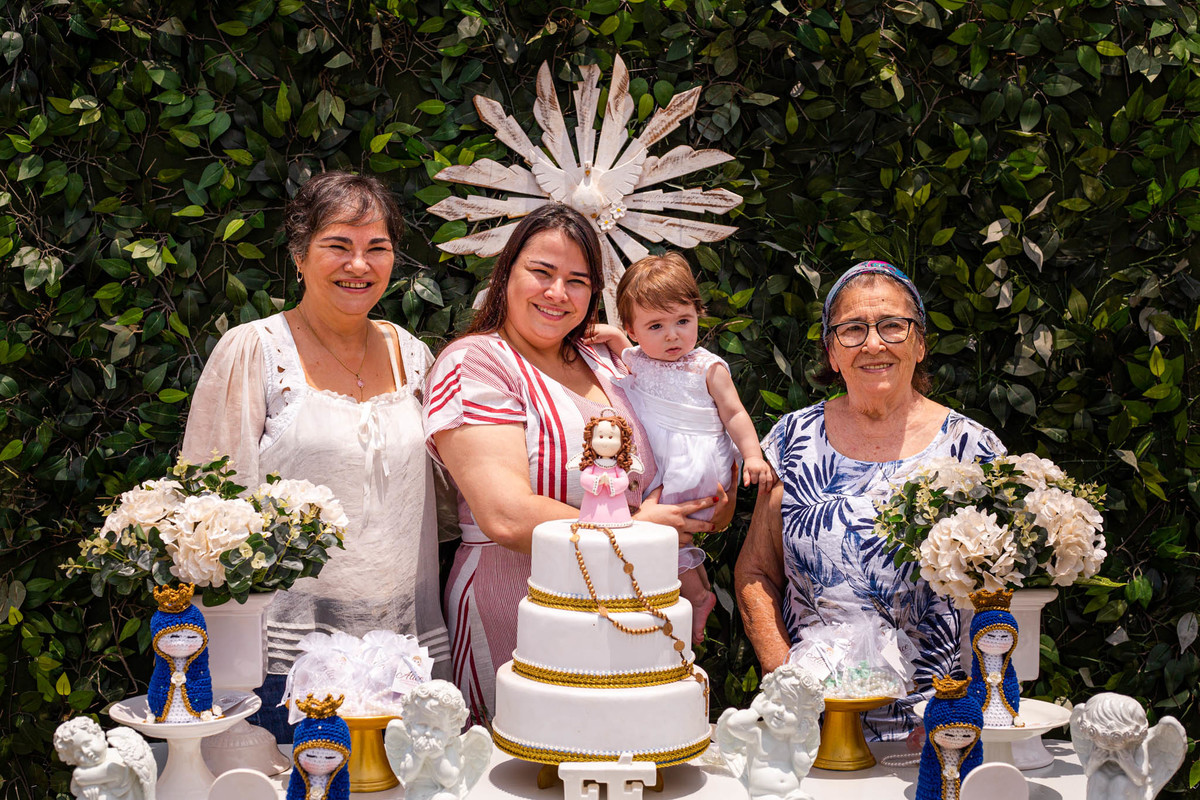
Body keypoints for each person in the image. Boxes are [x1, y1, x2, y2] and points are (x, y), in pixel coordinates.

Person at [424, 203, 733, 725]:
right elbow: (506, 516)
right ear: (506, 273)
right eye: (541, 272)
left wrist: (705, 510)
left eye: (577, 281)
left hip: (628, 605)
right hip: (519, 603)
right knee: (531, 750)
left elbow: (681, 443)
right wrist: (638, 530)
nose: (557, 292)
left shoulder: (605, 359)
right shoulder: (478, 362)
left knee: (621, 752)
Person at [181, 171, 450, 738]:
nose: (359, 265)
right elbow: (207, 513)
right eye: (338, 245)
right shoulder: (256, 351)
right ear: (299, 254)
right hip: (284, 657)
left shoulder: (414, 356)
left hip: (403, 652)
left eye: (377, 247)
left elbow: (449, 500)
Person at [734, 260, 1004, 740]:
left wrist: (971, 709)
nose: (874, 344)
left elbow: (999, 598)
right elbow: (756, 571)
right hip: (815, 727)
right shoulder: (793, 439)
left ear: (920, 344)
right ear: (832, 353)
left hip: (940, 729)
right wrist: (786, 684)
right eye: (853, 329)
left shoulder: (973, 450)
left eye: (893, 326)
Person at [589, 252, 774, 644]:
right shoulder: (638, 356)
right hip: (665, 461)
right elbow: (627, 352)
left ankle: (697, 598)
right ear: (633, 330)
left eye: (683, 321)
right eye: (656, 326)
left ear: (697, 314)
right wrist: (613, 336)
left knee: (664, 534)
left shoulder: (707, 366)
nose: (672, 336)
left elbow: (735, 413)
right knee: (673, 536)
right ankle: (699, 590)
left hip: (694, 463)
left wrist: (752, 456)